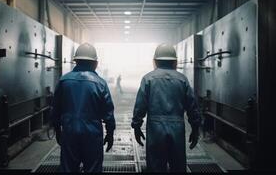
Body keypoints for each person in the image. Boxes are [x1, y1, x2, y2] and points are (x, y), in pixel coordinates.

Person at [131, 43, 201, 172]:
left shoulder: (148, 79)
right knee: (178, 166)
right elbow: (192, 106)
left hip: (155, 129)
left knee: (155, 165)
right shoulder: (182, 79)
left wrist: (136, 125)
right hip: (177, 128)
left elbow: (140, 105)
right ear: (175, 61)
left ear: (155, 61)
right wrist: (195, 127)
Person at [51, 43, 116, 172]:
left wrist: (58, 129)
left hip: (69, 132)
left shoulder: (64, 81)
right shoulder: (100, 83)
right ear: (95, 63)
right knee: (93, 168)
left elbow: (55, 109)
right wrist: (110, 133)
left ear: (76, 61)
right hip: (92, 134)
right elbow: (108, 112)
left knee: (68, 168)